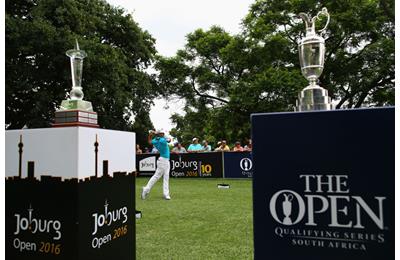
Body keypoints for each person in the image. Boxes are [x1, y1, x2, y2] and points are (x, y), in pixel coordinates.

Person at [141, 130, 171, 200]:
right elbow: (169, 140)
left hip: (163, 160)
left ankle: (165, 194)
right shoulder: (162, 140)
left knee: (163, 177)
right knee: (158, 176)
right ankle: (146, 189)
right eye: (162, 133)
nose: (163, 134)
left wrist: (150, 135)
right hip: (164, 160)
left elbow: (149, 141)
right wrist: (155, 133)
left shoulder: (155, 140)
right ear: (160, 134)